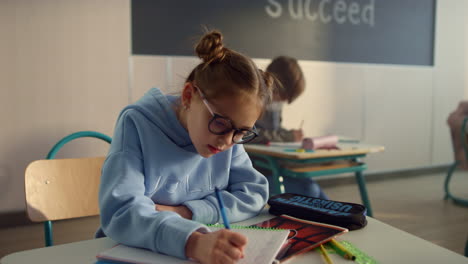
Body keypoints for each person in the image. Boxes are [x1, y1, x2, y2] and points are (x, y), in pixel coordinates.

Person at [96, 30, 276, 264]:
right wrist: (193, 243)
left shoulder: (226, 137)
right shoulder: (137, 124)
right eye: (220, 122)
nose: (227, 142)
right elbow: (121, 212)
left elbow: (254, 192)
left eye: (241, 131)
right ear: (189, 96)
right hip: (129, 250)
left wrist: (188, 212)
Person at [250, 56, 328, 199]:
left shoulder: (274, 104)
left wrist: (290, 133)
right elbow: (248, 135)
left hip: (273, 166)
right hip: (257, 171)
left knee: (311, 185)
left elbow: (275, 131)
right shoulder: (252, 99)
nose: (284, 101)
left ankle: (338, 219)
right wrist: (288, 136)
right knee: (310, 190)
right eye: (284, 95)